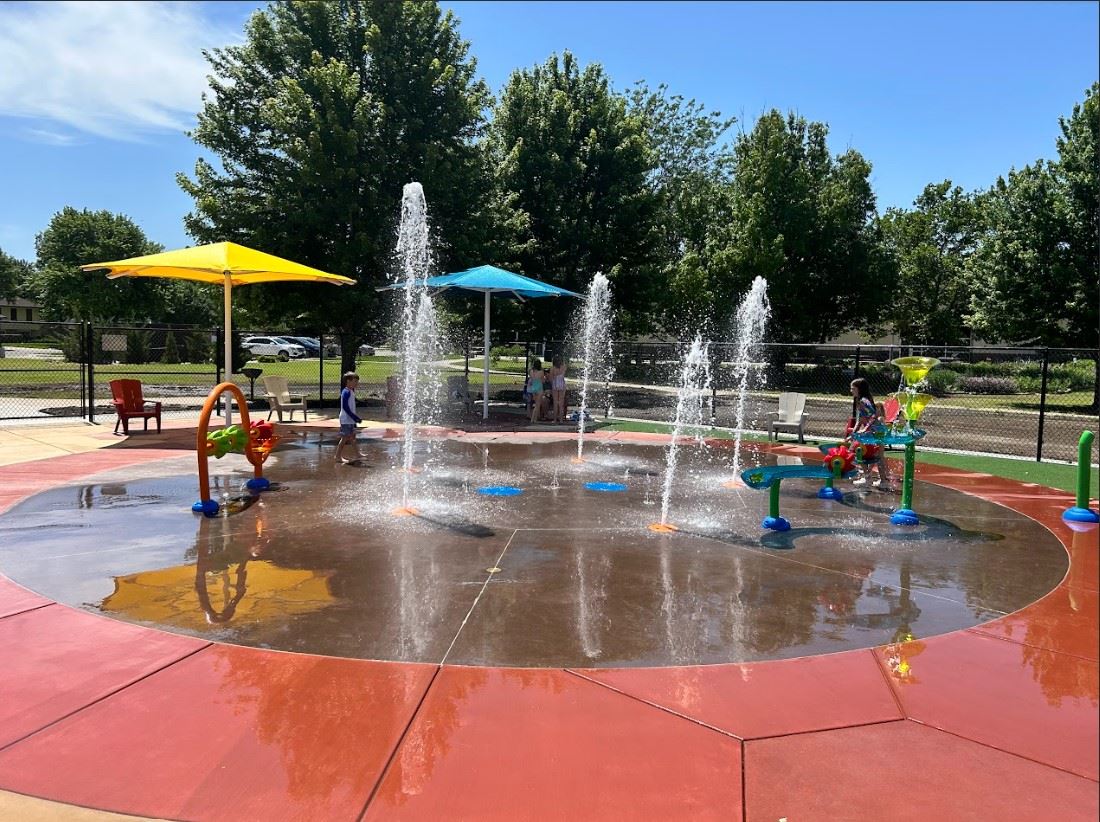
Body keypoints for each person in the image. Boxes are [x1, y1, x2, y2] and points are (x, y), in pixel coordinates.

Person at [846, 378, 891, 488]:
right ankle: (883, 481)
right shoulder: (864, 400)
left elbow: (873, 416)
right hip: (878, 430)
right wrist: (854, 433)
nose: (851, 390)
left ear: (859, 389)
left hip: (875, 431)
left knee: (856, 450)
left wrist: (865, 429)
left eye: (853, 388)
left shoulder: (863, 401)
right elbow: (860, 420)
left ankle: (867, 478)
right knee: (878, 456)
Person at [335, 371, 364, 464]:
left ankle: (358, 454)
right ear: (348, 381)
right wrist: (355, 417)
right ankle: (338, 456)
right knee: (345, 438)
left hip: (350, 419)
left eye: (357, 381)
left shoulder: (350, 391)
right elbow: (346, 407)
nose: (357, 383)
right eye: (355, 381)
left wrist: (354, 418)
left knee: (352, 437)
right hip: (346, 419)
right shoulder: (346, 392)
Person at [549, 354, 567, 423]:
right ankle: (561, 420)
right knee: (561, 403)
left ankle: (555, 419)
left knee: (555, 402)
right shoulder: (564, 367)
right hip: (562, 384)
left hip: (555, 384)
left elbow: (551, 378)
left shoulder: (552, 368)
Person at [528, 358, 545, 424]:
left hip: (533, 387)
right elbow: (543, 380)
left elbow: (531, 379)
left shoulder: (531, 371)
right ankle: (533, 419)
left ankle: (534, 419)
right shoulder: (541, 372)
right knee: (537, 405)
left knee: (535, 404)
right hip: (539, 387)